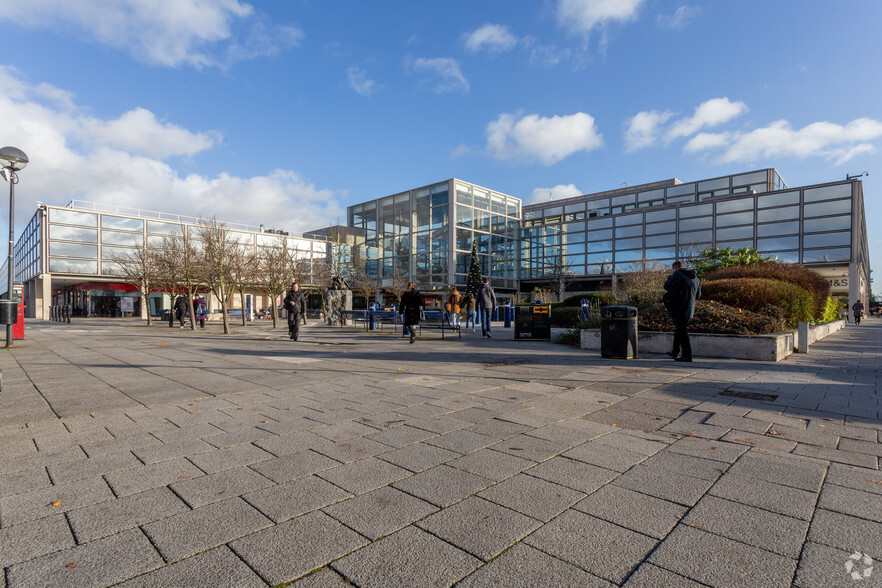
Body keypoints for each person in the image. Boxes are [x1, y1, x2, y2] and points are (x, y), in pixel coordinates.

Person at [663, 260, 701, 362]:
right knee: (679, 329)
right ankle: (675, 351)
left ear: (676, 267)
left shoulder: (677, 274)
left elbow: (666, 286)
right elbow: (698, 295)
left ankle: (687, 356)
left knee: (682, 331)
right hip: (690, 308)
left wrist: (670, 277)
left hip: (678, 307)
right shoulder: (696, 278)